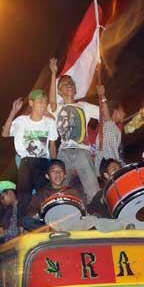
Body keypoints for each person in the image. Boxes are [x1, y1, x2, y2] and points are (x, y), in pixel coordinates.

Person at [49, 60, 102, 202]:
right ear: (59, 91)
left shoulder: (85, 106)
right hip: (63, 152)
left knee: (92, 188)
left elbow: (104, 114)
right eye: (66, 84)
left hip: (82, 151)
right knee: (59, 189)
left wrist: (102, 96)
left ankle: (99, 216)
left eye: (72, 84)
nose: (70, 85)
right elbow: (52, 102)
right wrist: (53, 73)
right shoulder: (57, 108)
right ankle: (62, 217)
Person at [2, 90, 58, 221]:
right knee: (25, 197)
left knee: (44, 194)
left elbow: (52, 145)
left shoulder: (49, 122)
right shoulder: (21, 121)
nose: (43, 105)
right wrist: (13, 112)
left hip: (43, 162)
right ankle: (22, 227)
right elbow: (5, 133)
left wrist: (54, 163)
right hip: (26, 162)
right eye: (40, 102)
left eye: (45, 103)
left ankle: (46, 222)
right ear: (31, 103)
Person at [23, 160, 97, 232]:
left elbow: (84, 210)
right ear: (47, 176)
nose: (58, 174)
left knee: (96, 218)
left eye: (60, 171)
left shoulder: (74, 191)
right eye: (54, 171)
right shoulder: (41, 194)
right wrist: (37, 214)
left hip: (72, 223)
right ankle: (55, 232)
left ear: (65, 175)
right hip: (51, 226)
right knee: (27, 221)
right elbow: (31, 212)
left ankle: (66, 232)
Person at [94, 84, 125, 171]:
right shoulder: (107, 123)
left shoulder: (115, 129)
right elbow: (104, 108)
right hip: (107, 168)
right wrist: (102, 95)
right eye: (122, 111)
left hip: (113, 167)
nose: (124, 113)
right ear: (116, 111)